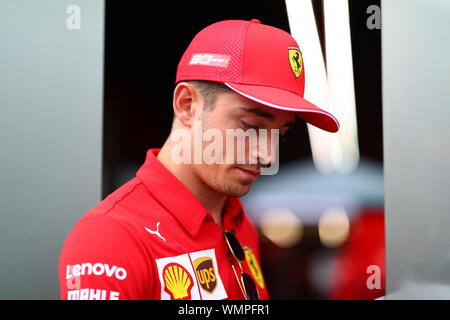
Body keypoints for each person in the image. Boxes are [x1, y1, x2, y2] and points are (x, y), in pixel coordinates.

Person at [59, 18, 339, 300]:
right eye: (250, 127)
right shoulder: (111, 237)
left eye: (278, 133)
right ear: (187, 105)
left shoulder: (239, 222)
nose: (267, 156)